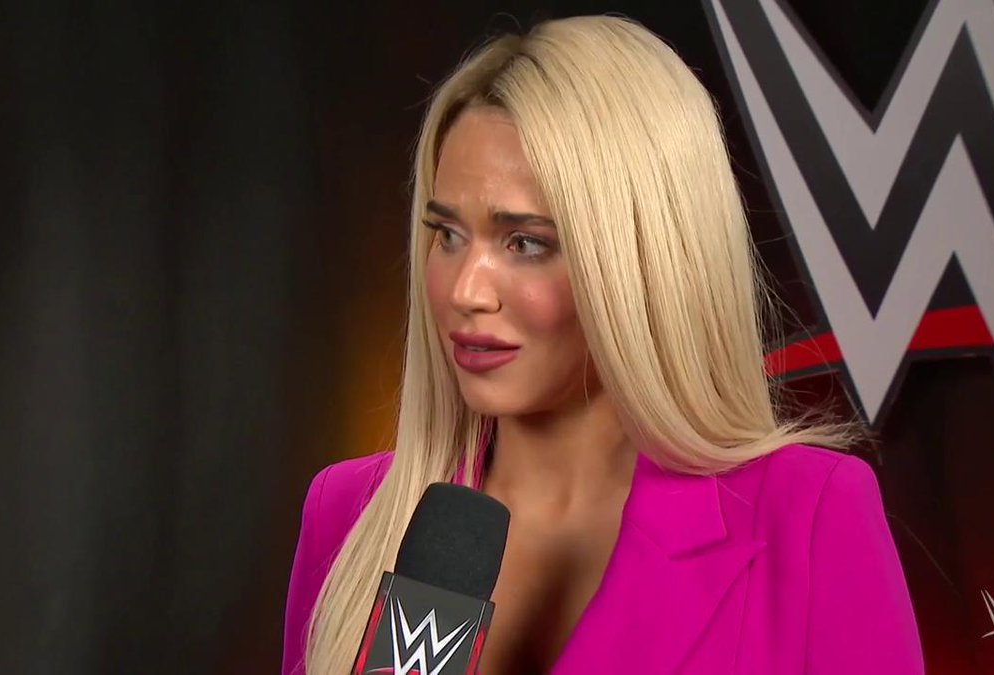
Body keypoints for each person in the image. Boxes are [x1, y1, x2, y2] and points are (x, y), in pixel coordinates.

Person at [281, 14, 923, 675]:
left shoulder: (810, 516)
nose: (466, 290)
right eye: (447, 235)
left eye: (525, 242)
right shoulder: (348, 513)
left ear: (644, 260)